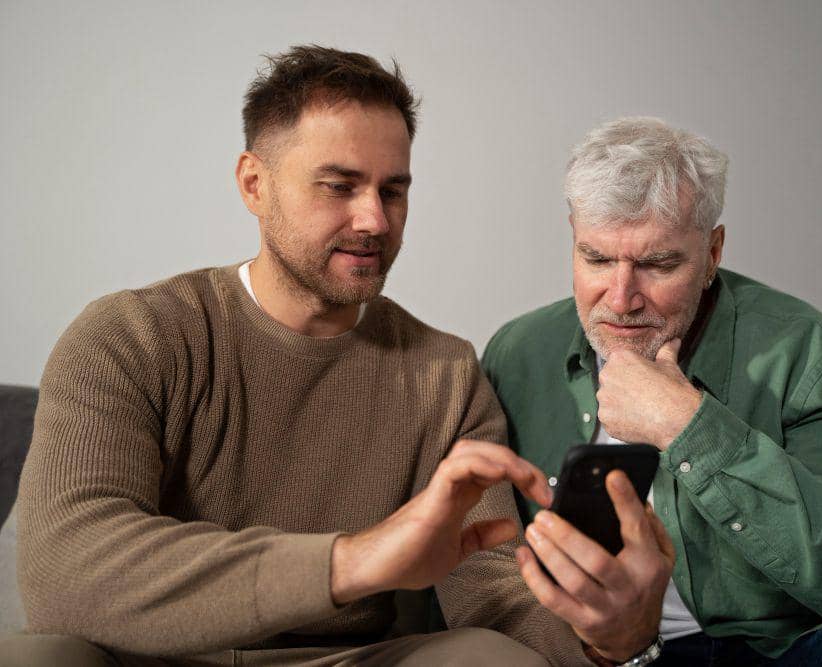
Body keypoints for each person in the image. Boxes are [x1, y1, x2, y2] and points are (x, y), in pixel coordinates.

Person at [7, 46, 596, 666]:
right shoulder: (131, 336)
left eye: (393, 191)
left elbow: (495, 596)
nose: (374, 220)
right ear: (254, 184)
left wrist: (609, 642)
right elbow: (64, 576)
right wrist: (352, 561)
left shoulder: (444, 375)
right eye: (339, 186)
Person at [483, 117, 822, 665]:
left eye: (658, 264)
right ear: (573, 236)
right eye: (597, 259)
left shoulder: (811, 355)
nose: (622, 298)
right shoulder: (517, 355)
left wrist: (687, 426)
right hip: (599, 657)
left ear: (712, 252)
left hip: (777, 652)